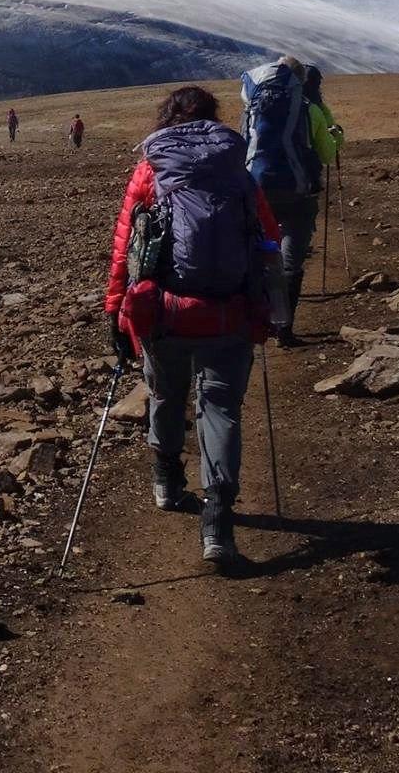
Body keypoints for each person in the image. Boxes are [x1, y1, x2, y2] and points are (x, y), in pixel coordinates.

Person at [104, 86, 278, 569]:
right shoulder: (235, 170)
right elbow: (269, 237)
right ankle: (218, 522)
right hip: (231, 312)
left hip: (165, 311)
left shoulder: (151, 168)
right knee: (220, 408)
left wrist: (116, 308)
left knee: (165, 393)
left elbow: (126, 249)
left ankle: (167, 480)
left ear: (167, 117)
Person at [240, 55, 322, 347]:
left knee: (259, 256)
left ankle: (259, 323)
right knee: (291, 260)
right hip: (295, 189)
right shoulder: (305, 107)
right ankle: (284, 329)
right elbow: (318, 148)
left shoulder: (253, 105)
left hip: (257, 186)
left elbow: (244, 143)